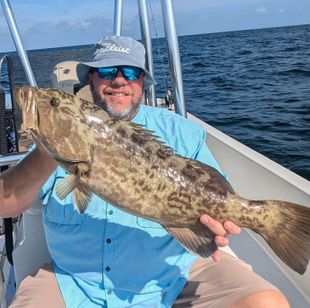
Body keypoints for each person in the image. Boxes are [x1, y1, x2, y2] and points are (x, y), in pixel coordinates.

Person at [0, 36, 289, 307]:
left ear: (142, 81)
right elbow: (5, 203)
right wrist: (50, 148)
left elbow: (218, 197)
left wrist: (217, 224)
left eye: (130, 72)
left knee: (267, 302)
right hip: (74, 283)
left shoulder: (181, 132)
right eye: (108, 71)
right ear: (92, 78)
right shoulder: (63, 135)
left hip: (172, 276)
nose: (119, 80)